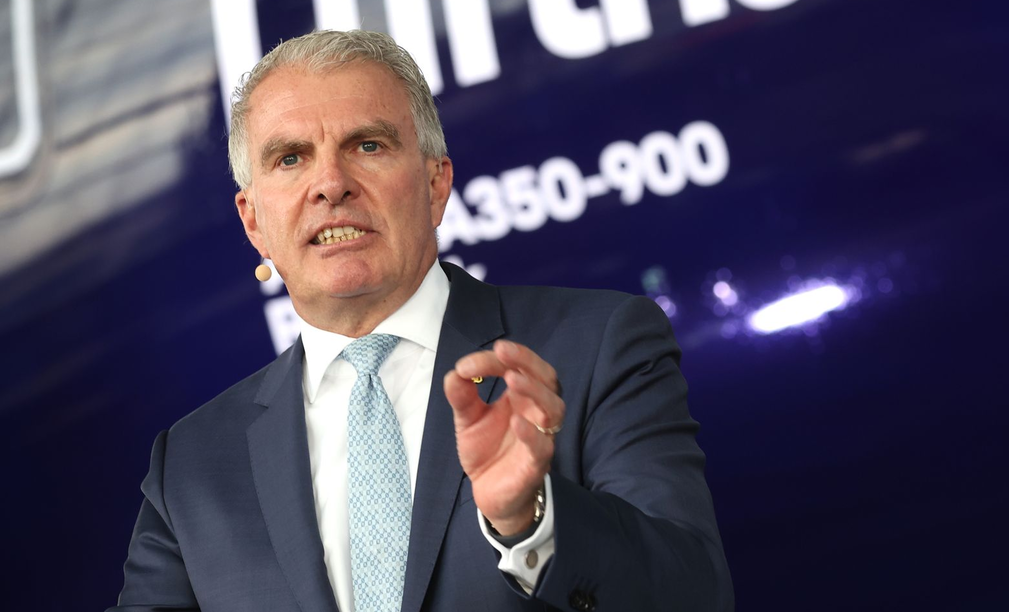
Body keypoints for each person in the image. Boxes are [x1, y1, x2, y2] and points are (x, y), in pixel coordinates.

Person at [109, 30, 733, 612]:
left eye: (368, 145)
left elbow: (694, 594)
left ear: (436, 186)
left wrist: (533, 520)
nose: (331, 184)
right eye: (291, 158)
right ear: (254, 223)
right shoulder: (190, 465)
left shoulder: (597, 347)